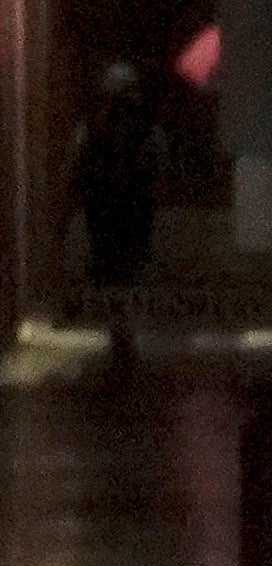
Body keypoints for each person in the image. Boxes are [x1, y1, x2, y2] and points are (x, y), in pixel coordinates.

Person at [71, 67, 161, 364]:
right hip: (129, 208)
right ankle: (123, 332)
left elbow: (80, 165)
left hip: (107, 209)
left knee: (111, 269)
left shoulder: (96, 127)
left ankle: (118, 331)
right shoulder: (142, 127)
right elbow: (155, 162)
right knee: (127, 269)